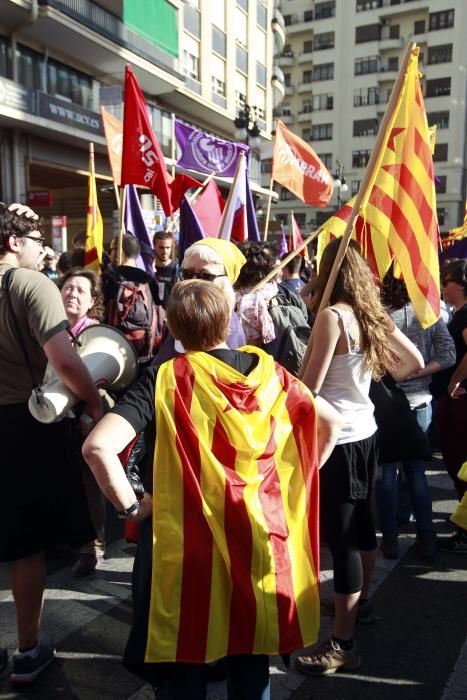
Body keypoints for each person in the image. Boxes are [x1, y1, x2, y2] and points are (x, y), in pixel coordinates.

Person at [83, 280, 343, 700]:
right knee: (251, 655)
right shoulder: (270, 373)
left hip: (187, 551)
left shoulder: (165, 377)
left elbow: (97, 447)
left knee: (185, 660)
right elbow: (330, 424)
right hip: (257, 536)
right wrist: (295, 479)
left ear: (173, 328)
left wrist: (134, 507)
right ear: (229, 320)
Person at [296, 239, 424, 676]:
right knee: (362, 527)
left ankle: (342, 642)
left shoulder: (332, 317)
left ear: (329, 271)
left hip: (340, 441)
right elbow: (413, 362)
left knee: (345, 536)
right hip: (366, 433)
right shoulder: (370, 315)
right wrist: (367, 383)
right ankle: (360, 602)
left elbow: (307, 390)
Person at [0, 202, 102, 685]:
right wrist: (96, 403)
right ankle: (27, 649)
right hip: (22, 422)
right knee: (26, 544)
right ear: (14, 243)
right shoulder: (30, 283)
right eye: (38, 242)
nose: (45, 252)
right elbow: (64, 360)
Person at [375, 273, 456, 559]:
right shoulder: (428, 314)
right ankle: (426, 536)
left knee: (387, 473)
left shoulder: (377, 315)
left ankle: (390, 537)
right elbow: (448, 354)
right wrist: (420, 371)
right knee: (415, 472)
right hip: (420, 401)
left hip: (387, 404)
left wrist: (404, 372)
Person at [59, 268, 106, 577]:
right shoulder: (51, 329)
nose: (72, 294)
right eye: (67, 288)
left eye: (80, 290)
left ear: (91, 301)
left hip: (87, 419)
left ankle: (92, 547)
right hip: (56, 420)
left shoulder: (98, 334)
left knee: (89, 485)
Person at [155, 238, 246, 365]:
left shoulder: (230, 331)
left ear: (226, 281)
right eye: (188, 274)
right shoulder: (179, 316)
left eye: (206, 276)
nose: (194, 281)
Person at [432, 259, 467, 500]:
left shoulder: (466, 316)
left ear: (463, 284)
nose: (443, 288)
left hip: (460, 400)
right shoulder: (458, 313)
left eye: (447, 282)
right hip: (452, 400)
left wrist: (455, 379)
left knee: (460, 460)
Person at [104, 234, 164, 362]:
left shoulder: (108, 278)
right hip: (143, 350)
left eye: (111, 250)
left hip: (110, 351)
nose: (109, 255)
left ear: (119, 251)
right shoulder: (149, 281)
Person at [153, 230, 178, 308]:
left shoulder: (177, 269)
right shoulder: (149, 269)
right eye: (161, 247)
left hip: (169, 316)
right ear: (154, 246)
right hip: (151, 315)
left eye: (168, 248)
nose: (165, 251)